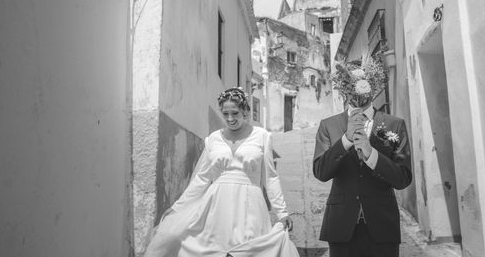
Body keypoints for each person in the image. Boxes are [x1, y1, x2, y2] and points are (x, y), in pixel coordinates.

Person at [144, 87, 298, 257]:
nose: (230, 118)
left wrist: (282, 212)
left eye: (235, 113)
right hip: (216, 204)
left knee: (246, 250)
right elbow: (201, 178)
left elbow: (271, 178)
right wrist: (179, 207)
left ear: (245, 111)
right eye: (226, 114)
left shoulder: (262, 136)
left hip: (250, 206)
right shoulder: (213, 139)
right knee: (207, 248)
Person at [313, 60, 412, 257]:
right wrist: (346, 140)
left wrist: (371, 154)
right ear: (344, 86)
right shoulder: (328, 126)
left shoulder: (394, 125)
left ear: (372, 84)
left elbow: (403, 178)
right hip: (341, 227)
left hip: (382, 226)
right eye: (351, 83)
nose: (358, 90)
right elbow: (321, 172)